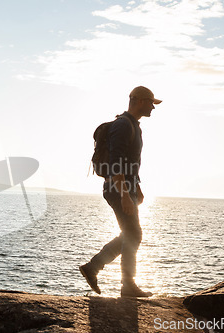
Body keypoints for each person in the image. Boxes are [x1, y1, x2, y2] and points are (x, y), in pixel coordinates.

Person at [80, 86, 162, 297]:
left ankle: (93, 268)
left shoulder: (133, 125)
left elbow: (130, 163)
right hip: (118, 188)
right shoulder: (123, 126)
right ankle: (127, 286)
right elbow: (116, 161)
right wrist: (125, 193)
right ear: (140, 101)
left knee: (130, 234)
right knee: (134, 234)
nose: (153, 107)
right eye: (151, 102)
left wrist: (137, 188)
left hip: (126, 186)